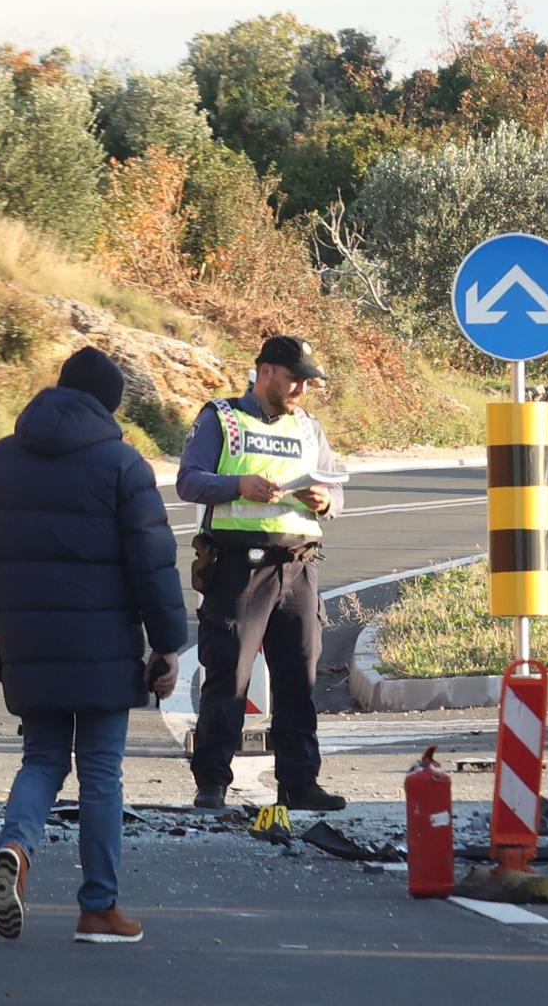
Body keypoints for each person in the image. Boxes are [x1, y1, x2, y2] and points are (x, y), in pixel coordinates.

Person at [0, 346, 185, 946]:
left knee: (44, 758)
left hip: (29, 642)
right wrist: (166, 645)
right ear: (110, 405)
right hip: (104, 646)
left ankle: (15, 847)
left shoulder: (3, 460)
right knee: (101, 773)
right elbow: (153, 559)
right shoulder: (123, 464)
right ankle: (99, 908)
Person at [177, 335, 347, 812]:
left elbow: (337, 486)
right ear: (265, 371)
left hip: (298, 568)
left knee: (298, 683)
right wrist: (238, 486)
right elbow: (188, 480)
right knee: (228, 679)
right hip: (237, 570)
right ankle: (211, 781)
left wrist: (326, 500)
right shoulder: (222, 419)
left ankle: (299, 782)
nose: (301, 388)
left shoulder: (310, 428)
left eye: (307, 381)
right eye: (294, 378)